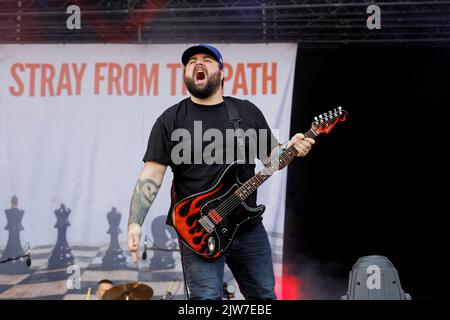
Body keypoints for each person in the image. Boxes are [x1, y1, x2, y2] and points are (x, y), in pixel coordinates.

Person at [127, 44, 315, 300]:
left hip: (247, 227)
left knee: (264, 297)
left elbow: (273, 160)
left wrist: (292, 150)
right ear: (185, 73)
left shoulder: (246, 113)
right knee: (206, 300)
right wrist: (135, 222)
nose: (198, 63)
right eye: (191, 61)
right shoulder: (170, 120)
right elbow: (151, 175)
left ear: (223, 73)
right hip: (199, 229)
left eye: (207, 59)